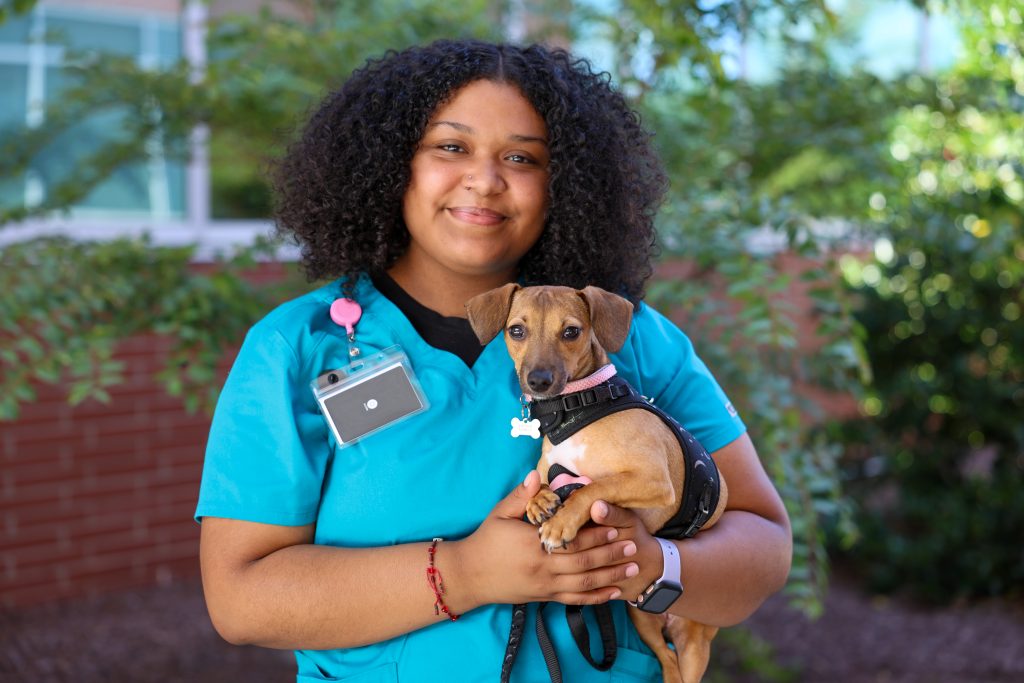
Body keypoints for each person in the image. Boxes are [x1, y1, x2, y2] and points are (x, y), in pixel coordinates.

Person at [195, 39, 792, 682]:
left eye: (522, 157)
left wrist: (654, 566)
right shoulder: (298, 349)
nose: (484, 179)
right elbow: (239, 598)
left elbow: (761, 544)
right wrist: (463, 574)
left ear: (562, 183)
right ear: (393, 164)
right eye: (450, 147)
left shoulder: (627, 337)